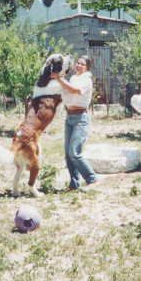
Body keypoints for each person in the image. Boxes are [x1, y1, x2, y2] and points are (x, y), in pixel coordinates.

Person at [52, 55, 100, 190]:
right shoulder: (73, 78)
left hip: (80, 119)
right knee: (68, 154)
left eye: (82, 64)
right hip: (69, 117)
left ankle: (92, 178)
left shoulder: (87, 80)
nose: (79, 65)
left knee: (74, 152)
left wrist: (59, 79)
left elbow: (75, 90)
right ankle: (74, 183)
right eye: (78, 63)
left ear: (87, 68)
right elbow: (67, 91)